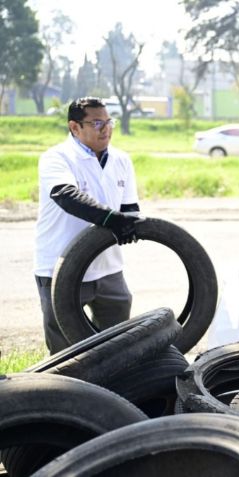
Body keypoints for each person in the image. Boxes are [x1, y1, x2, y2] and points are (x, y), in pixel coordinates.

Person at [33, 97, 143, 354]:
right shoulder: (56, 158)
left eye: (108, 122)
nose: (106, 129)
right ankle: (64, 393)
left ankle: (109, 392)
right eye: (96, 123)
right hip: (60, 267)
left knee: (116, 346)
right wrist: (111, 219)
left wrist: (129, 223)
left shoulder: (121, 160)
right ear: (74, 127)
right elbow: (66, 195)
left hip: (109, 268)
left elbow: (129, 210)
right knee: (64, 351)